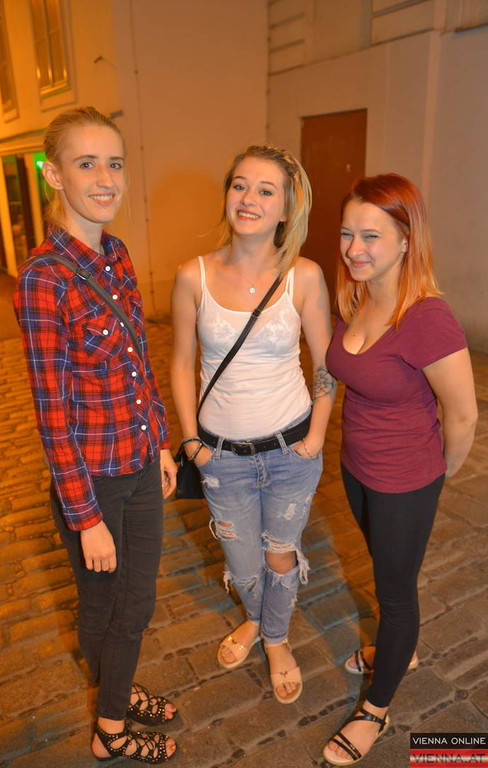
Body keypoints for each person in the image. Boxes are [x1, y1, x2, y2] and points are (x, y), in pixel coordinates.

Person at [14, 107, 178, 764]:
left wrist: (160, 441)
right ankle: (110, 729)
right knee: (112, 608)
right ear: (54, 175)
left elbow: (138, 357)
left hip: (139, 464)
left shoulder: (117, 255)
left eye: (115, 163)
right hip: (94, 485)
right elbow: (51, 412)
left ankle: (115, 687)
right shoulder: (43, 278)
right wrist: (85, 518)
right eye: (87, 164)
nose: (106, 178)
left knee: (131, 604)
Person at [170, 145, 336, 704]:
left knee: (279, 555)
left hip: (291, 451)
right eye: (240, 185)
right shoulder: (192, 275)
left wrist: (316, 438)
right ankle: (255, 616)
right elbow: (180, 363)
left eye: (266, 190)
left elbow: (325, 364)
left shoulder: (304, 276)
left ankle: (276, 639)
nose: (249, 199)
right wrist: (192, 442)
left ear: (286, 209)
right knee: (241, 563)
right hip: (221, 456)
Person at [323, 173, 478, 765]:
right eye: (347, 233)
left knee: (395, 593)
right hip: (356, 468)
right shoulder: (359, 296)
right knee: (386, 574)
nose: (354, 249)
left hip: (405, 481)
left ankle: (375, 708)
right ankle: (397, 649)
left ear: (407, 240)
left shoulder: (427, 317)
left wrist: (436, 475)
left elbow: (462, 415)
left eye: (371, 236)